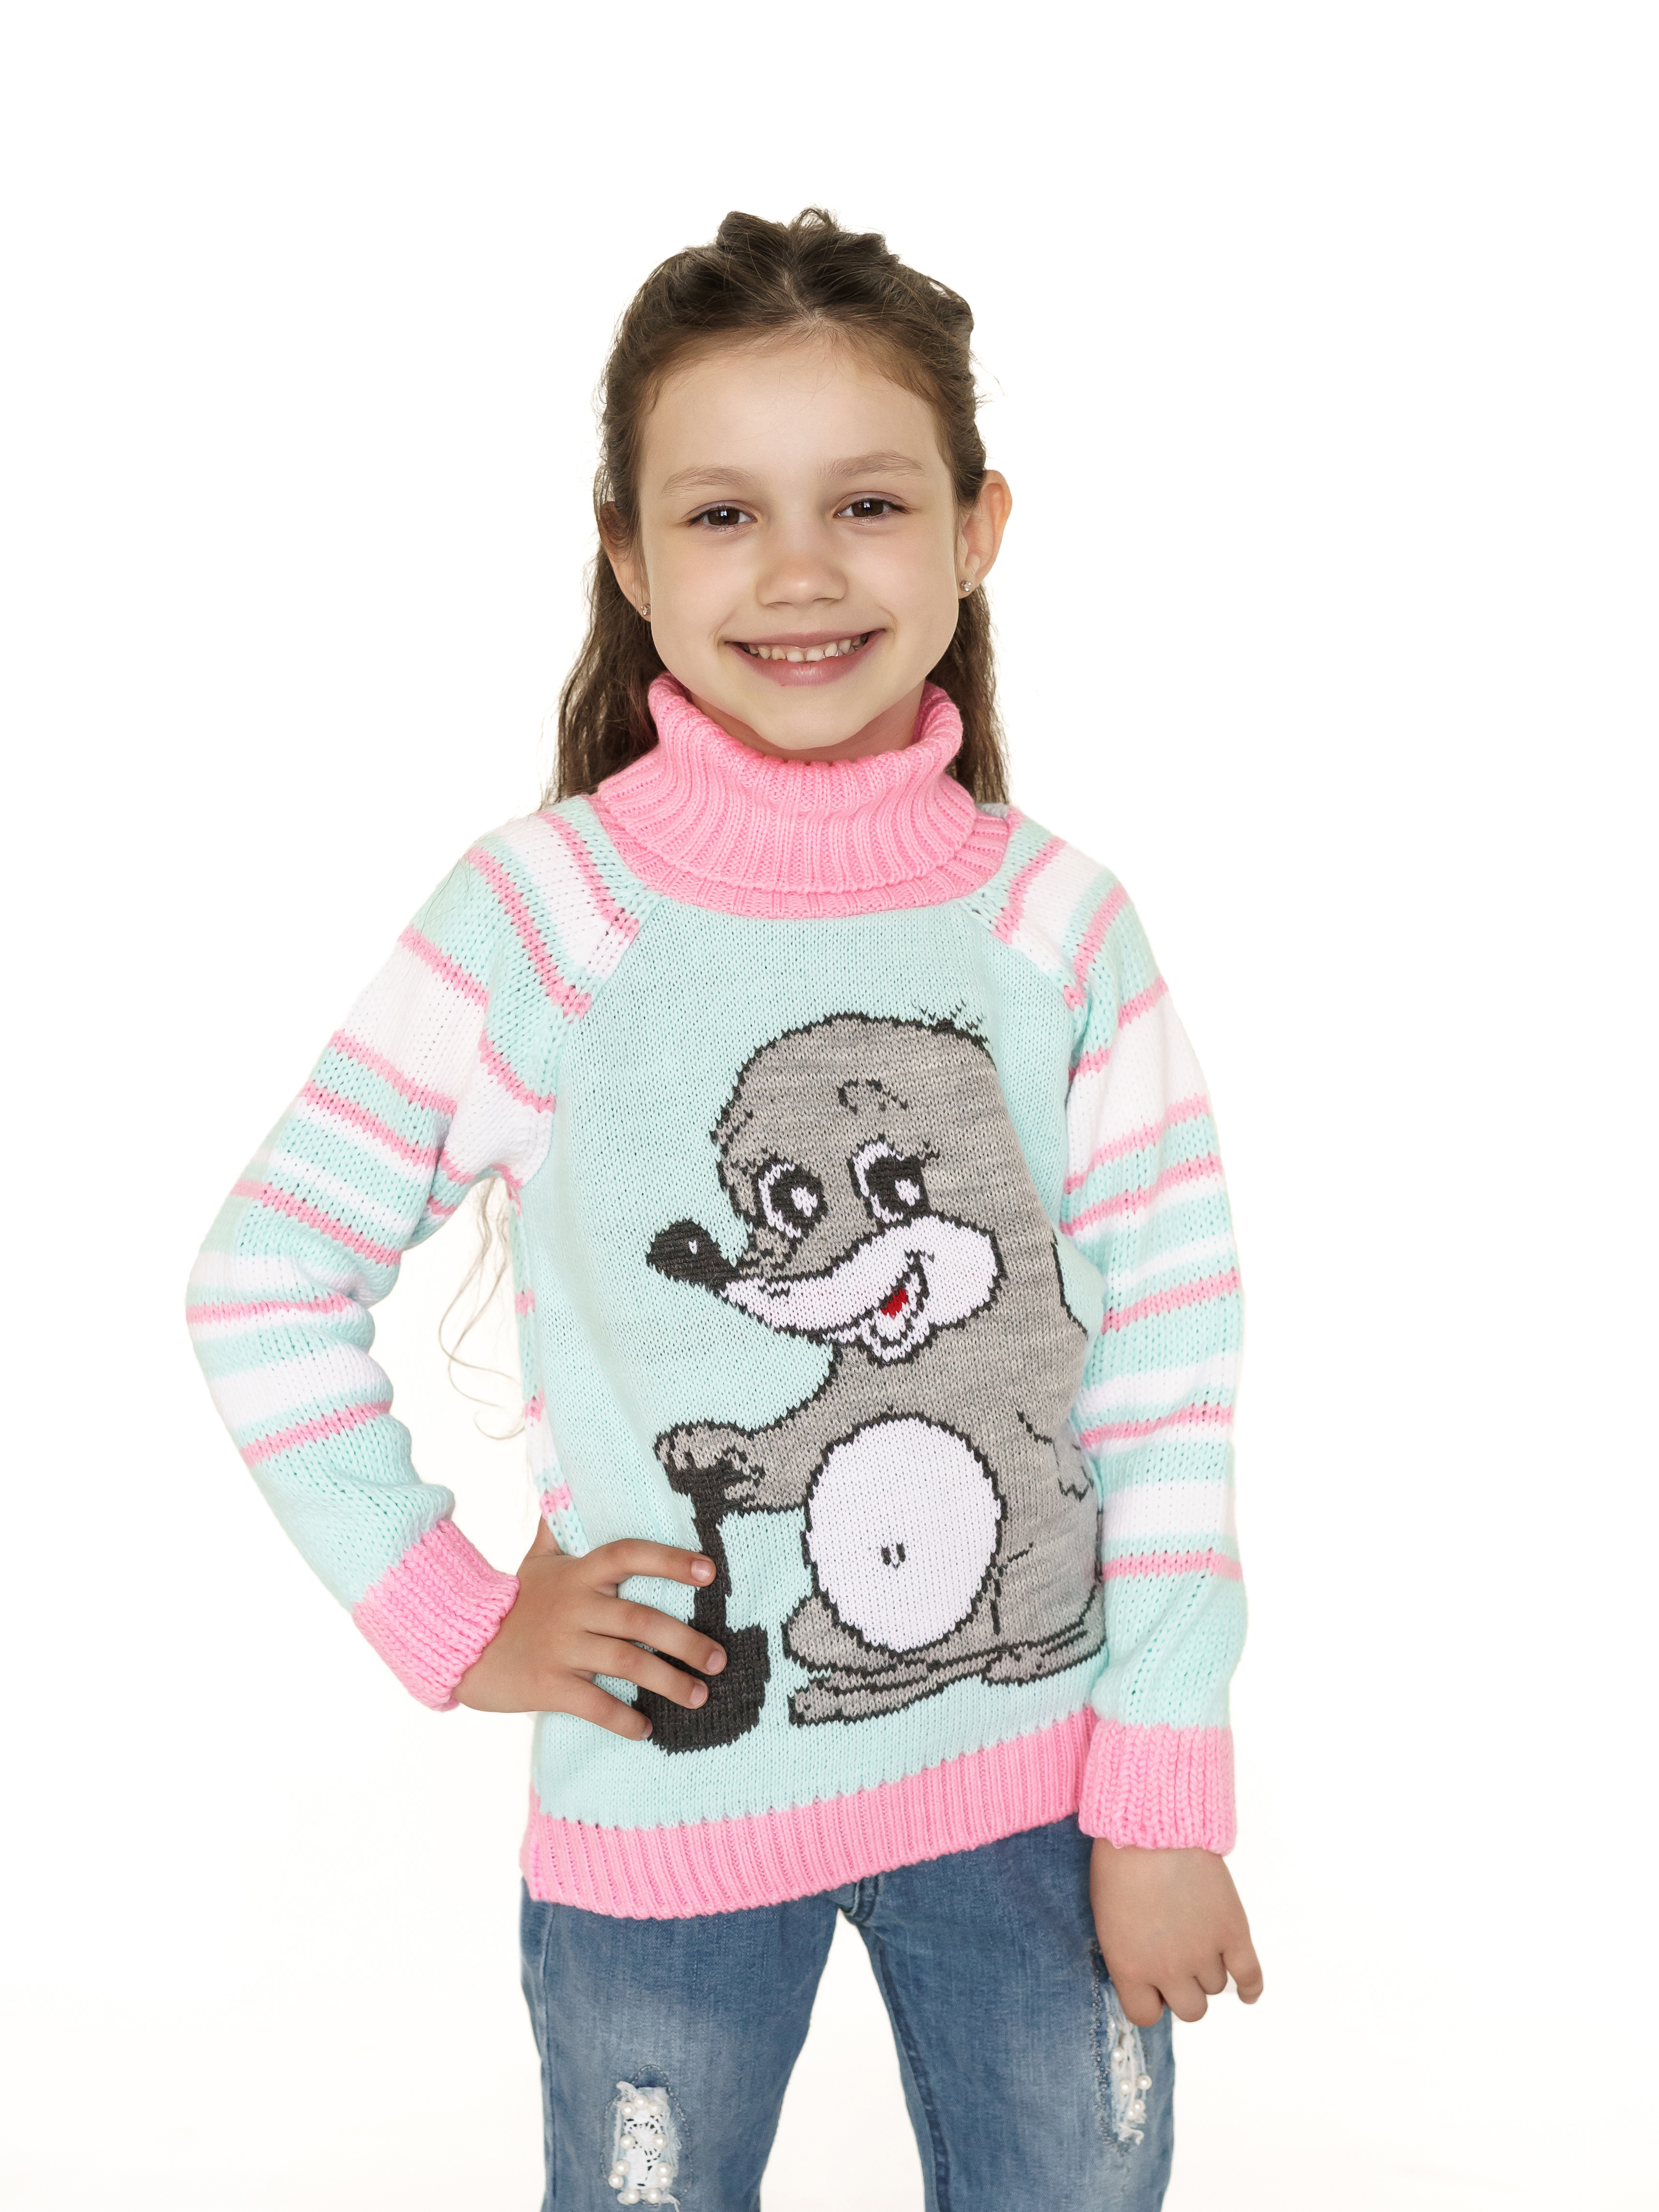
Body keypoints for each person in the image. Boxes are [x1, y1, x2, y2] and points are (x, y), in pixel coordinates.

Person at [187, 206, 1262, 2212]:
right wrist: (455, 1619)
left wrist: (1165, 1788)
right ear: (626, 553)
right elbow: (264, 1282)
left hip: (1043, 1794)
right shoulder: (543, 918)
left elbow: (1168, 1387)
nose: (798, 571)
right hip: (667, 1809)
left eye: (868, 502)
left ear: (978, 528)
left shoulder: (1058, 930)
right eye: (720, 514)